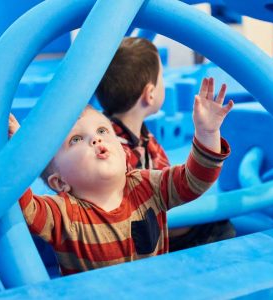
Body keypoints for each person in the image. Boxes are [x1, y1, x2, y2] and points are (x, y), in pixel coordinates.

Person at [9, 78, 233, 275]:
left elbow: (194, 181)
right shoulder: (63, 213)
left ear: (123, 151)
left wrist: (207, 134)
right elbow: (23, 205)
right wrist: (18, 155)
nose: (96, 140)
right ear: (59, 182)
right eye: (76, 140)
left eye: (102, 131)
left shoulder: (148, 186)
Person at [95, 37, 236, 251]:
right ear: (150, 94)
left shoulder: (134, 136)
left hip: (159, 218)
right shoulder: (116, 150)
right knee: (221, 228)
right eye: (162, 76)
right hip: (148, 237)